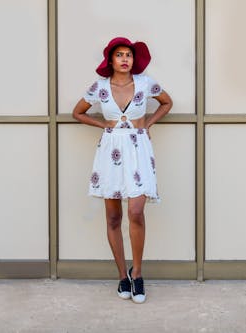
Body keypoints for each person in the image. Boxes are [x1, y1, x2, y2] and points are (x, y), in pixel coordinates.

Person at [72, 37, 172, 303]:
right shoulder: (100, 87)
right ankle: (122, 277)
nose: (125, 59)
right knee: (114, 218)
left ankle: (137, 274)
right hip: (111, 151)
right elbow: (77, 112)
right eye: (120, 55)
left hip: (138, 149)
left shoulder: (145, 83)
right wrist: (104, 126)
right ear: (111, 60)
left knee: (136, 211)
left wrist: (148, 123)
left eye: (129, 54)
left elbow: (166, 102)